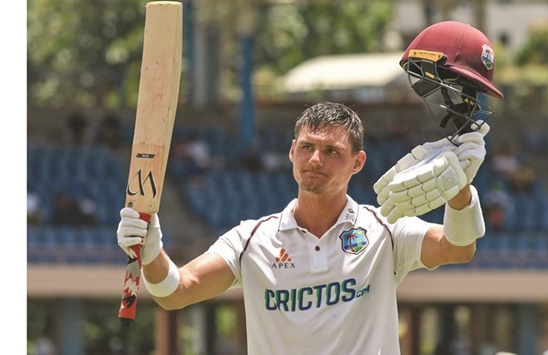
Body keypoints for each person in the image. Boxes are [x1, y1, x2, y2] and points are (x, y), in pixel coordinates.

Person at [117, 21, 502, 354]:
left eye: (331, 151)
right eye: (307, 147)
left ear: (357, 163)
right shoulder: (252, 239)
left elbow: (458, 247)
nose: (315, 160)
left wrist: (459, 187)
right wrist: (152, 251)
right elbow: (176, 291)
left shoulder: (384, 229)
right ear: (291, 152)